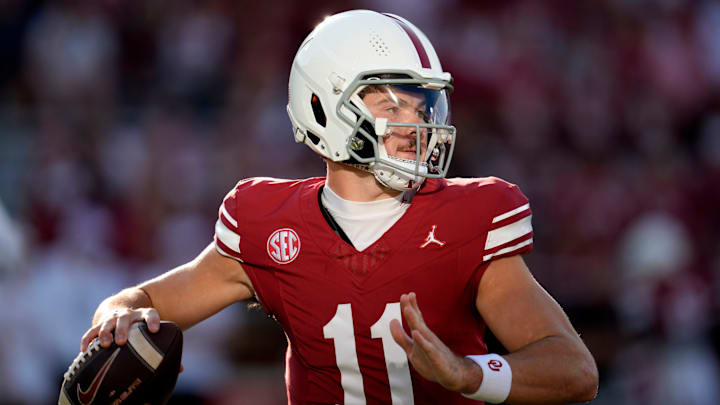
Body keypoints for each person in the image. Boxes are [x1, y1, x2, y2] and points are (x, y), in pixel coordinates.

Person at [81, 9, 598, 405]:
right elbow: (143, 299)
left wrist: (470, 374)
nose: (415, 126)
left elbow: (575, 370)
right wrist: (118, 316)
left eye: (422, 107)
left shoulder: (467, 218)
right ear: (323, 106)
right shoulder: (268, 224)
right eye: (392, 105)